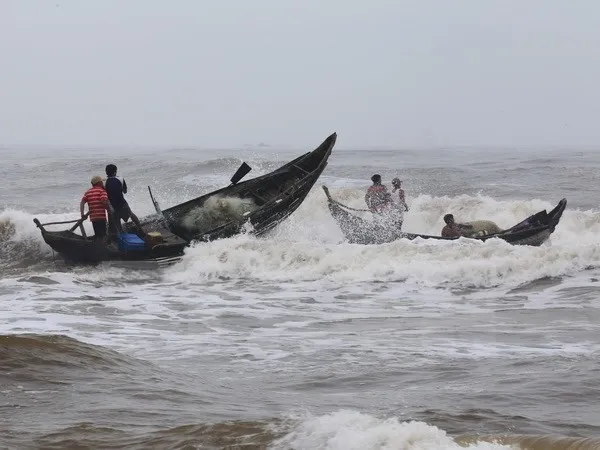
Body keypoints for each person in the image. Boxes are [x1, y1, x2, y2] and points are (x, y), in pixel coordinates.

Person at [104, 164, 145, 235]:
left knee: (117, 221)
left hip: (113, 206)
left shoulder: (105, 182)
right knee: (131, 214)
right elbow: (125, 191)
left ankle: (122, 235)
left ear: (106, 173)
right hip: (122, 203)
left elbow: (105, 195)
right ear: (115, 172)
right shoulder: (120, 179)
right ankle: (140, 229)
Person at [80, 175, 110, 242]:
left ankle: (98, 244)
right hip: (101, 217)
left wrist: (82, 214)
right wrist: (109, 209)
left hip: (93, 218)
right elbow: (103, 201)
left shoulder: (88, 192)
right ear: (99, 183)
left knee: (98, 234)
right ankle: (103, 247)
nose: (103, 183)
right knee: (103, 235)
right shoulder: (102, 191)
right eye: (102, 182)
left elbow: (82, 203)